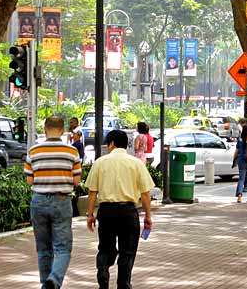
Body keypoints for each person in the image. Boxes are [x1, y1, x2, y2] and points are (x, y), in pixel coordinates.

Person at [86, 130, 155, 289]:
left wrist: (90, 215)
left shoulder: (100, 162)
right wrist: (148, 216)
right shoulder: (136, 163)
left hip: (106, 211)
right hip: (128, 212)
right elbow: (145, 194)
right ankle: (123, 283)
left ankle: (103, 273)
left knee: (105, 247)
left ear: (111, 143)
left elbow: (92, 192)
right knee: (128, 250)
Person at [25, 116, 82, 289]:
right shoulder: (72, 152)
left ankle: (45, 283)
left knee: (43, 248)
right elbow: (77, 180)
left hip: (39, 201)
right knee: (63, 248)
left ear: (45, 129)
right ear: (63, 130)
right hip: (62, 201)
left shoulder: (34, 151)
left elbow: (29, 181)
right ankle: (54, 280)